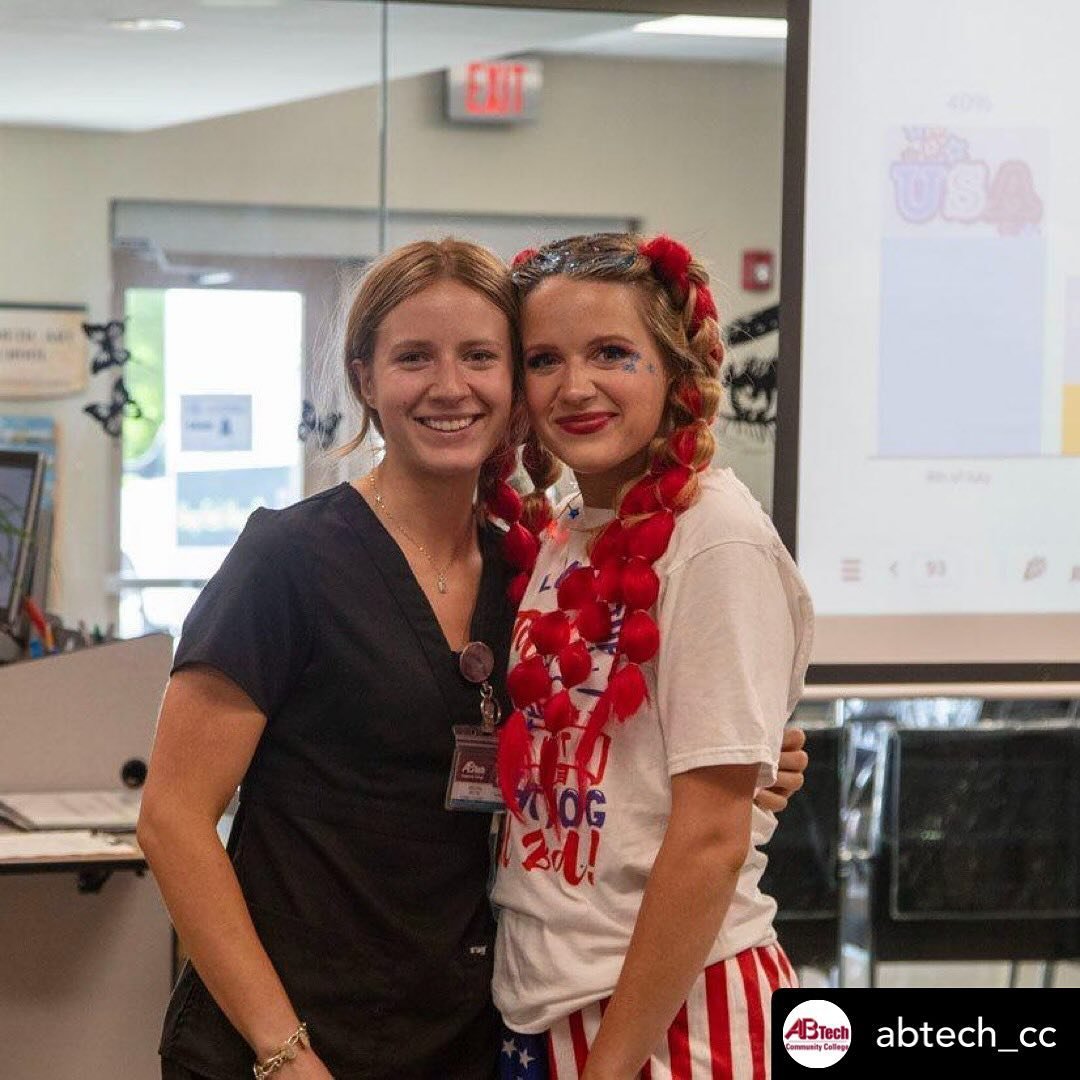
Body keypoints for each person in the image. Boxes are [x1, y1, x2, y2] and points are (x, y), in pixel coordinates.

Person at [137, 237, 809, 1080]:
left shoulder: (525, 565)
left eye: (483, 357)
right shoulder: (296, 560)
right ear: (364, 379)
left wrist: (748, 761)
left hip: (474, 1034)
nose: (450, 387)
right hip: (295, 1038)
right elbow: (171, 818)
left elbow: (634, 762)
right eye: (414, 357)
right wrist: (284, 1058)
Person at [489, 233, 815, 1079]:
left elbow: (710, 839)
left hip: (674, 1017)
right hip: (549, 1000)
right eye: (544, 359)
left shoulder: (714, 541)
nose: (576, 386)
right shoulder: (567, 529)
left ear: (674, 371)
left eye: (612, 353)